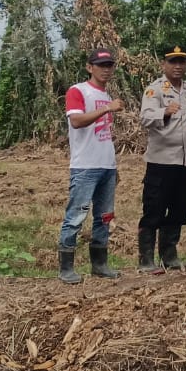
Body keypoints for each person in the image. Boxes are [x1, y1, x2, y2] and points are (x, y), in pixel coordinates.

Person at [58, 48, 124, 284]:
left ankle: (100, 264)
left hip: (106, 164)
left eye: (109, 65)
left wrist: (113, 165)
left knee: (104, 217)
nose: (106, 70)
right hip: (85, 165)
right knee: (76, 216)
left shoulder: (107, 96)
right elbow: (76, 121)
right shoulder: (78, 91)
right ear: (89, 67)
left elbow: (104, 134)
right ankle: (66, 268)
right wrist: (107, 108)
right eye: (101, 65)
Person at [138, 45, 186, 273]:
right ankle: (146, 259)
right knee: (154, 209)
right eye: (172, 62)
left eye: (181, 62)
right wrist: (163, 112)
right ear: (163, 64)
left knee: (179, 210)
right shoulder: (154, 90)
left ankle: (169, 255)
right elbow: (144, 118)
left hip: (185, 163)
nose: (177, 66)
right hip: (161, 162)